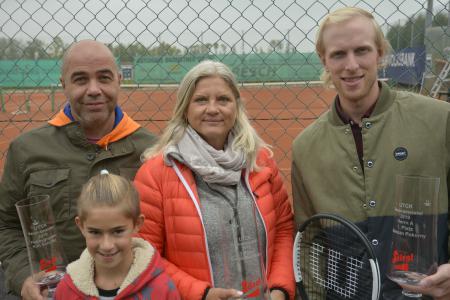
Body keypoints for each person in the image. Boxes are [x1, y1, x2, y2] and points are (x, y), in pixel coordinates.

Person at [292, 7, 450, 300]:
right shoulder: (305, 147)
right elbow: (309, 243)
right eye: (339, 54)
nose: (351, 65)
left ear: (380, 53)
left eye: (362, 50)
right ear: (323, 59)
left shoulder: (439, 120)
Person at [0, 39, 156, 299]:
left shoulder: (152, 150)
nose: (93, 89)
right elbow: (6, 225)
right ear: (64, 84)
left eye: (104, 78)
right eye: (80, 79)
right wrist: (23, 276)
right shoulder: (26, 150)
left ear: (119, 80)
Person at [134, 60, 295, 300]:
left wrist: (279, 290)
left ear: (236, 107)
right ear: (185, 108)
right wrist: (202, 294)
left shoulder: (260, 162)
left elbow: (283, 230)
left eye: (223, 99)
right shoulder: (156, 173)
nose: (213, 109)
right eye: (201, 100)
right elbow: (144, 253)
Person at [54, 171, 180, 299]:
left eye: (118, 231)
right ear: (81, 226)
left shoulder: (162, 290)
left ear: (137, 223)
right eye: (95, 232)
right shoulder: (66, 290)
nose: (106, 245)